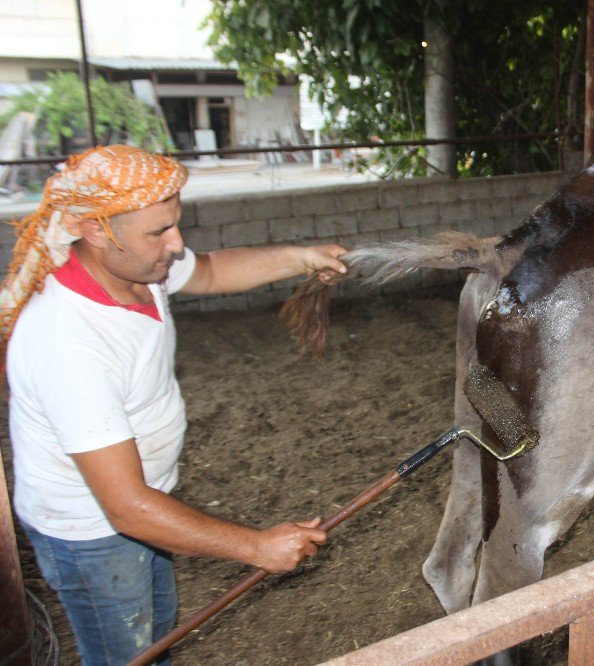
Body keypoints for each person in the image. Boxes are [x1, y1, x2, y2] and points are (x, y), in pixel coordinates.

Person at [2, 145, 348, 664]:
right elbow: (126, 508)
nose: (177, 242)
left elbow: (209, 271)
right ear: (96, 230)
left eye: (175, 223)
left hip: (144, 506)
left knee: (156, 633)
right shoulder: (67, 342)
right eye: (159, 231)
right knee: (128, 653)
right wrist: (257, 546)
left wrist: (301, 258)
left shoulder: (134, 267)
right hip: (94, 530)